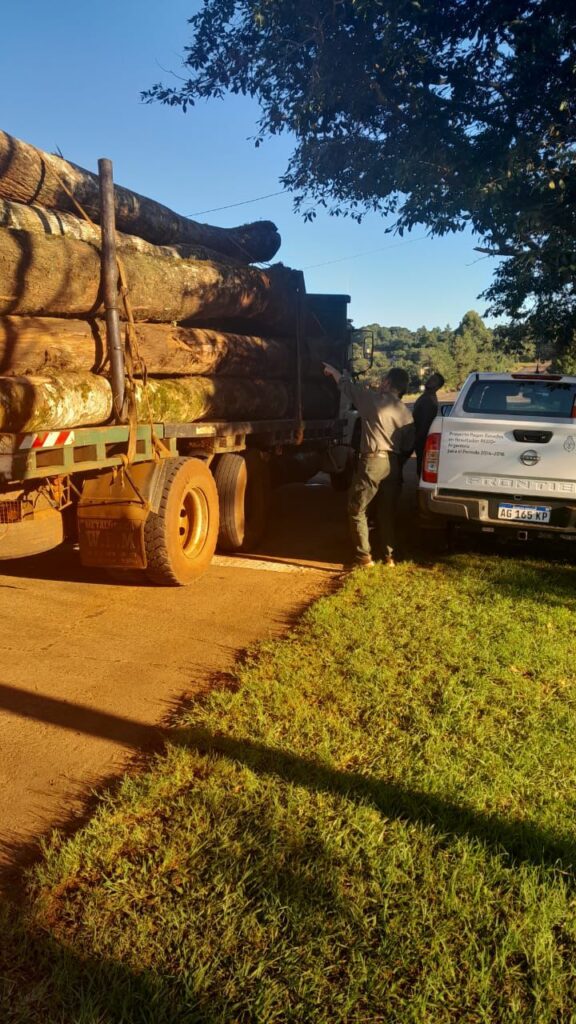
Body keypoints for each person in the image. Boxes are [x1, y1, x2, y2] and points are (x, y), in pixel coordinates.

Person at [323, 363, 414, 567]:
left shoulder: (374, 401)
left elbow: (348, 388)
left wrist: (334, 371)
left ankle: (364, 556)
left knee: (357, 508)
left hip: (373, 461)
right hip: (394, 463)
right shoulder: (407, 413)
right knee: (386, 511)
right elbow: (409, 445)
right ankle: (390, 556)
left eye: (384, 380)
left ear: (387, 382)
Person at [413, 372, 445, 477]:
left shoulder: (429, 400)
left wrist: (416, 441)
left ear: (437, 386)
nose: (430, 380)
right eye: (431, 378)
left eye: (434, 380)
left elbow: (424, 424)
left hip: (421, 439)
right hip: (419, 438)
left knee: (421, 469)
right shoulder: (427, 396)